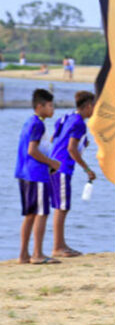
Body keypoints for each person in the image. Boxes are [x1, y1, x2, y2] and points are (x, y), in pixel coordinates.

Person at [15, 89, 61, 264]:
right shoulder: (38, 124)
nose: (53, 109)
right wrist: (52, 163)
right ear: (40, 106)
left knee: (30, 214)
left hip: (25, 173)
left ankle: (23, 255)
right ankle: (37, 254)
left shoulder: (29, 122)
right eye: (50, 106)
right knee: (41, 213)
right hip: (36, 174)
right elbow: (32, 150)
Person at [49, 91, 97, 257]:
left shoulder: (67, 116)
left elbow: (53, 139)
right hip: (62, 168)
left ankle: (61, 245)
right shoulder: (80, 124)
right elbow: (71, 149)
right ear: (89, 106)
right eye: (94, 107)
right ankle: (58, 247)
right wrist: (87, 169)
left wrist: (82, 144)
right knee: (62, 208)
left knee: (61, 207)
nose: (94, 111)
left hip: (52, 164)